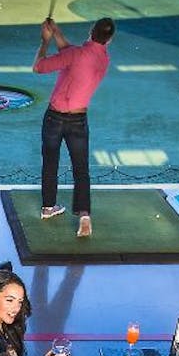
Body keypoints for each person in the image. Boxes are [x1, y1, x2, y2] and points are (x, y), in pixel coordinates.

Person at [32, 16, 114, 239]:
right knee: (81, 169)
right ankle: (85, 215)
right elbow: (71, 53)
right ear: (109, 39)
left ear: (91, 30)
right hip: (78, 120)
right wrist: (57, 31)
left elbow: (38, 67)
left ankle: (48, 207)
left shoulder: (74, 54)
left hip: (54, 118)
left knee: (50, 163)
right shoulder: (103, 58)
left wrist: (45, 41)